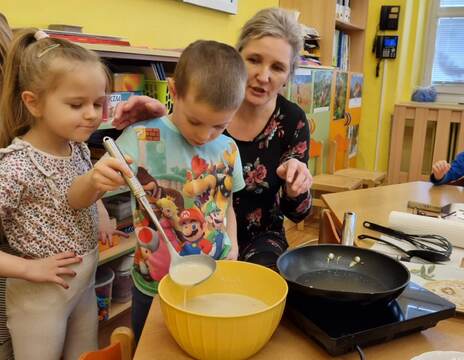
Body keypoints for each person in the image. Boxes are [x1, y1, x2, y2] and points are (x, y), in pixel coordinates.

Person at [114, 7, 313, 270]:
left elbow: (298, 213)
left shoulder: (292, 120)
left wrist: (295, 188)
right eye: (254, 59)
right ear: (236, 58)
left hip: (261, 240)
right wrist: (158, 118)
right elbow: (174, 133)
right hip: (190, 236)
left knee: (260, 284)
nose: (263, 76)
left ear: (288, 75)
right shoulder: (206, 105)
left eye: (277, 67)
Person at [102, 40, 247, 343]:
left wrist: (232, 242)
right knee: (153, 347)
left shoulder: (229, 148)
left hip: (212, 275)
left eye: (219, 125)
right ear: (174, 91)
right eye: (195, 120)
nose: (204, 135)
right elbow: (96, 182)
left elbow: (227, 203)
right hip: (154, 284)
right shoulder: (142, 136)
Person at [0, 29, 130, 360]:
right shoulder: (14, 168)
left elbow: (77, 190)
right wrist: (28, 269)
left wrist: (100, 213)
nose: (91, 114)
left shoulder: (77, 147)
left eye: (98, 103)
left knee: (85, 354)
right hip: (38, 295)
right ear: (33, 102)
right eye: (76, 104)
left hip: (82, 284)